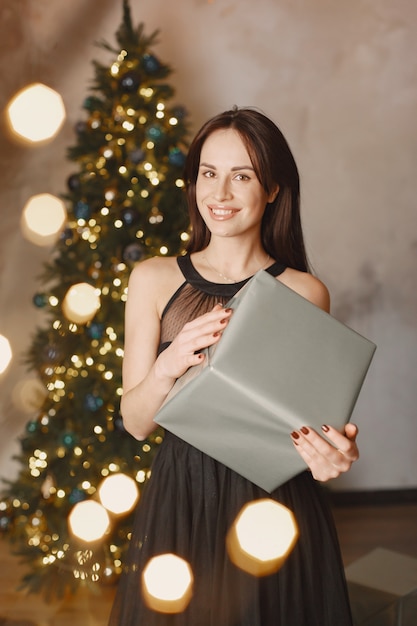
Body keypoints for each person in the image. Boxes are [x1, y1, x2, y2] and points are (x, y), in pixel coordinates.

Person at [108, 107, 359, 625]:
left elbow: (303, 424)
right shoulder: (152, 279)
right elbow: (135, 424)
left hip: (277, 505)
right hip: (183, 496)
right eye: (208, 173)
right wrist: (167, 367)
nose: (219, 194)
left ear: (272, 189)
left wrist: (330, 454)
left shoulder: (305, 292)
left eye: (241, 175)